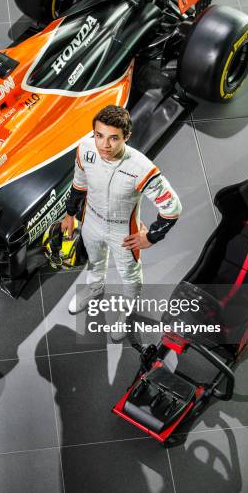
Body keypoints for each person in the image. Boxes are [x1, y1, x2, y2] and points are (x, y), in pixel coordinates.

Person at [62, 105, 182, 339]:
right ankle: (95, 288)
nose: (104, 145)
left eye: (113, 138)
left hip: (123, 232)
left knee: (129, 275)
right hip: (91, 221)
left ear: (126, 137)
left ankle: (127, 311)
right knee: (95, 262)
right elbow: (79, 183)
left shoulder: (141, 168)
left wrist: (151, 236)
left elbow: (172, 207)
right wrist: (70, 214)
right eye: (99, 135)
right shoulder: (85, 150)